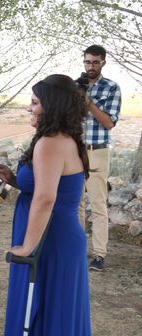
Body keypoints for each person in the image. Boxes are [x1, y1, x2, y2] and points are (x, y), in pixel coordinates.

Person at [0, 74, 96, 336]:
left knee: (51, 308)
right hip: (59, 235)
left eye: (35, 102)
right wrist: (12, 177)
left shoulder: (50, 142)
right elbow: (45, 185)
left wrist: (27, 246)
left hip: (51, 240)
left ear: (51, 105)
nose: (30, 107)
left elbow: (47, 198)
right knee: (47, 309)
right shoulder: (64, 139)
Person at [77, 45, 122, 272]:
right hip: (75, 150)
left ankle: (99, 255)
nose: (90, 66)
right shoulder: (76, 86)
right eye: (87, 62)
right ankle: (76, 249)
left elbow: (109, 123)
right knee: (76, 202)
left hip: (98, 151)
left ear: (103, 62)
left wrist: (89, 103)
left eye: (95, 62)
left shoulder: (111, 88)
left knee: (97, 204)